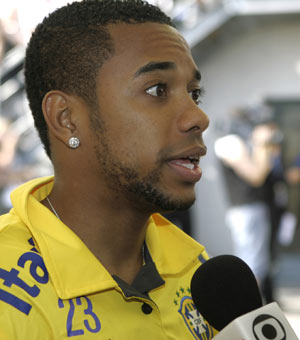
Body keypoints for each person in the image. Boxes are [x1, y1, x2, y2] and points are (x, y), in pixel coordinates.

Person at [0, 1, 216, 339]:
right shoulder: (8, 299)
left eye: (195, 94)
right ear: (66, 119)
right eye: (157, 90)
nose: (198, 118)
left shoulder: (197, 268)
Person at [215, 108, 284, 303]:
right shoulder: (229, 143)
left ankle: (251, 303)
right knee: (251, 262)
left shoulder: (237, 142)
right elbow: (256, 175)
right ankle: (244, 304)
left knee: (258, 262)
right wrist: (261, 144)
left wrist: (265, 146)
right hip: (246, 210)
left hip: (253, 209)